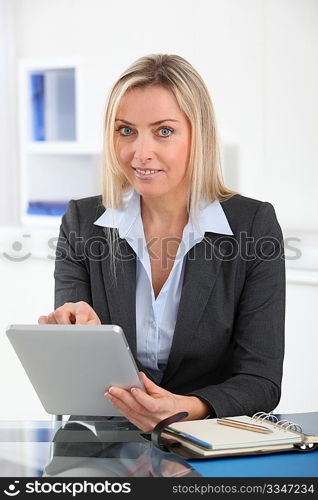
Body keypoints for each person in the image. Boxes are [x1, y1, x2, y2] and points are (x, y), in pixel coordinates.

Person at [38, 54, 285, 433]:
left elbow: (261, 382)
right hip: (104, 440)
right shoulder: (81, 223)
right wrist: (76, 332)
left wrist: (189, 407)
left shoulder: (254, 226)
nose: (140, 153)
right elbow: (77, 371)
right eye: (126, 130)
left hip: (208, 439)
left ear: (198, 135)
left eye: (164, 131)